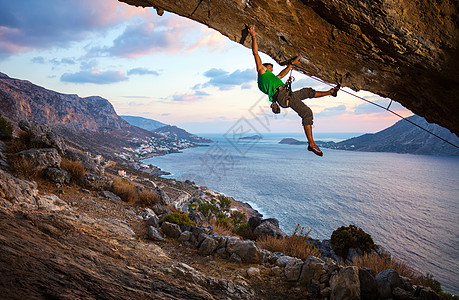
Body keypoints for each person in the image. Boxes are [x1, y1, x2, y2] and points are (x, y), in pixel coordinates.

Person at [248, 26, 339, 157]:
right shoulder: (262, 72)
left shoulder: (271, 79)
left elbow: (281, 74)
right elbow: (255, 53)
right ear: (266, 67)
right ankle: (311, 144)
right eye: (271, 68)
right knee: (307, 113)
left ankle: (331, 92)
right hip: (284, 96)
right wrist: (253, 36)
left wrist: (292, 64)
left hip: (285, 94)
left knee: (308, 92)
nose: (272, 70)